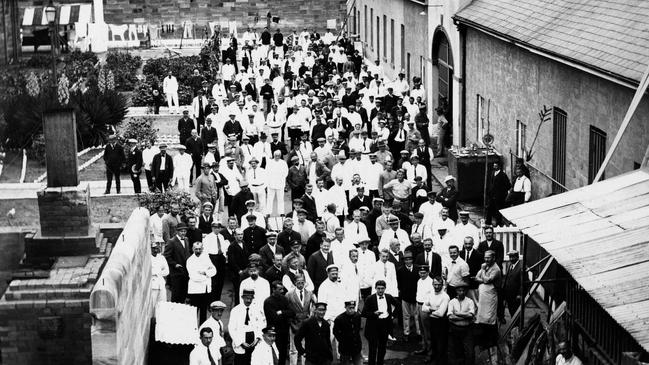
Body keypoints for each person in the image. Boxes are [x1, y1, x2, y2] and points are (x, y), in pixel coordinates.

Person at [362, 280, 398, 365]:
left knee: (382, 348)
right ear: (375, 288)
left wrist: (392, 315)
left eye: (382, 288)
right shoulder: (370, 298)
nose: (380, 290)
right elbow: (363, 313)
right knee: (373, 348)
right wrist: (373, 314)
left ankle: (380, 363)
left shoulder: (388, 297)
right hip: (373, 326)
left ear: (385, 288)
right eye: (378, 288)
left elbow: (398, 305)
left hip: (385, 325)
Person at [229, 288, 266, 365]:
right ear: (242, 297)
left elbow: (262, 325)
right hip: (241, 340)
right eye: (247, 298)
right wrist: (241, 342)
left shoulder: (257, 310)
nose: (249, 301)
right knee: (241, 361)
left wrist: (258, 338)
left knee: (254, 361)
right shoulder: (236, 310)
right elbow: (231, 328)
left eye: (251, 298)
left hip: (254, 340)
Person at [474, 250, 502, 349]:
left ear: (493, 258)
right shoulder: (485, 265)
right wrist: (483, 277)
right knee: (481, 317)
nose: (486, 259)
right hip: (483, 296)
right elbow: (476, 277)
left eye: (488, 257)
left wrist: (482, 271)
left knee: (490, 318)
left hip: (490, 296)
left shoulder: (496, 269)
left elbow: (487, 280)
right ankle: (482, 340)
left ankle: (491, 342)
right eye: (485, 257)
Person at [286, 274, 316, 365]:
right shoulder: (289, 294)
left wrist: (311, 315)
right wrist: (290, 320)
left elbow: (315, 304)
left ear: (305, 283)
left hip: (306, 323)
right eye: (298, 282)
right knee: (293, 348)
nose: (300, 284)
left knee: (305, 346)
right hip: (294, 323)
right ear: (295, 283)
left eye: (302, 282)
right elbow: (286, 308)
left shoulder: (309, 293)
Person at [263, 281, 295, 365]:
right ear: (273, 289)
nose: (282, 291)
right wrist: (285, 314)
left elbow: (292, 312)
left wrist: (281, 312)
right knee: (274, 353)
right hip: (273, 332)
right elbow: (274, 318)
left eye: (282, 289)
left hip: (284, 331)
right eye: (279, 289)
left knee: (283, 353)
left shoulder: (284, 299)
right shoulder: (268, 302)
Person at [420, 276, 449, 364]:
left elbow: (441, 313)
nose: (436, 287)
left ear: (442, 285)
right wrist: (433, 309)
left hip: (441, 323)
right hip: (432, 321)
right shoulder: (431, 293)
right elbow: (423, 308)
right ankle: (433, 357)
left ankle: (440, 360)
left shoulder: (445, 296)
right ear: (432, 284)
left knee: (441, 342)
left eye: (439, 285)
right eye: (435, 284)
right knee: (432, 340)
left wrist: (430, 310)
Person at [187, 241, 217, 324]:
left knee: (204, 312)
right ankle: (193, 331)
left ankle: (202, 329)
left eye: (200, 249)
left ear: (202, 249)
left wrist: (205, 273)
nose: (198, 250)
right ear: (193, 249)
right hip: (195, 290)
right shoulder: (190, 260)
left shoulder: (206, 258)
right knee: (194, 312)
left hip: (205, 290)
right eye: (196, 249)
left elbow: (214, 270)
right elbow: (193, 276)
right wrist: (207, 276)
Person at [447, 285, 475, 365]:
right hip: (455, 329)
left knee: (470, 352)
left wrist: (458, 314)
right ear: (456, 291)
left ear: (465, 291)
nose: (461, 292)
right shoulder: (452, 302)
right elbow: (450, 317)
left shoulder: (470, 301)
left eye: (463, 290)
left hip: (467, 329)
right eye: (459, 290)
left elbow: (471, 315)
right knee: (457, 351)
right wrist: (465, 317)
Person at [164, 222, 191, 303]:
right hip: (176, 273)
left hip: (185, 272)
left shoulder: (186, 239)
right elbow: (166, 256)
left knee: (183, 294)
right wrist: (175, 264)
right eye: (181, 231)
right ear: (177, 231)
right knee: (176, 295)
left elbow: (187, 253)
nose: (183, 233)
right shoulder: (171, 241)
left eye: (184, 231)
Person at [396, 252, 419, 341]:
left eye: (410, 259)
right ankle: (406, 333)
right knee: (406, 316)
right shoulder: (400, 270)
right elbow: (399, 284)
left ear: (412, 260)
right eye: (406, 259)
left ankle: (419, 333)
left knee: (417, 316)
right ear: (404, 261)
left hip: (416, 296)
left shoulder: (417, 269)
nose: (408, 261)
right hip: (405, 296)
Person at [203, 221, 228, 302]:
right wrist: (208, 263)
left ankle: (217, 299)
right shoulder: (208, 237)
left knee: (220, 280)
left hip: (220, 258)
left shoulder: (221, 236)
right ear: (212, 228)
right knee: (213, 281)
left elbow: (223, 248)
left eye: (218, 228)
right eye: (215, 228)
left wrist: (224, 257)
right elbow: (205, 251)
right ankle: (211, 301)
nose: (217, 229)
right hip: (212, 258)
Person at [333, 300, 363, 365]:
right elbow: (335, 332)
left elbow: (357, 329)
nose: (351, 310)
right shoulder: (339, 319)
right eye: (350, 308)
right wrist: (342, 340)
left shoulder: (357, 316)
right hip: (345, 348)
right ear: (345, 307)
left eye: (353, 308)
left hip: (356, 347)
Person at [227, 229, 248, 305]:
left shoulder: (244, 243)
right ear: (235, 235)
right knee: (238, 291)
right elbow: (231, 261)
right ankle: (237, 306)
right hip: (236, 273)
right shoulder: (232, 246)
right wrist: (238, 270)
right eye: (238, 234)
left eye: (241, 234)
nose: (240, 236)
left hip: (244, 271)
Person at [486, 161, 511, 226]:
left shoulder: (503, 175)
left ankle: (498, 223)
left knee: (498, 210)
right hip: (492, 196)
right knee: (489, 208)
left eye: (496, 166)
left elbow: (508, 185)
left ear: (499, 167)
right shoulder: (493, 173)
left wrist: (501, 193)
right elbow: (491, 184)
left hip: (499, 197)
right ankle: (488, 222)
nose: (494, 167)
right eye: (494, 166)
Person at [500, 250, 522, 320]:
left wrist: (519, 294)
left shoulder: (521, 267)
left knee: (515, 313)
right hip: (509, 294)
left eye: (513, 257)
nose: (511, 259)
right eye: (510, 257)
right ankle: (514, 327)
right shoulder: (510, 265)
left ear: (517, 257)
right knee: (511, 310)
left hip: (515, 295)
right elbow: (507, 279)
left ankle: (517, 327)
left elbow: (522, 283)